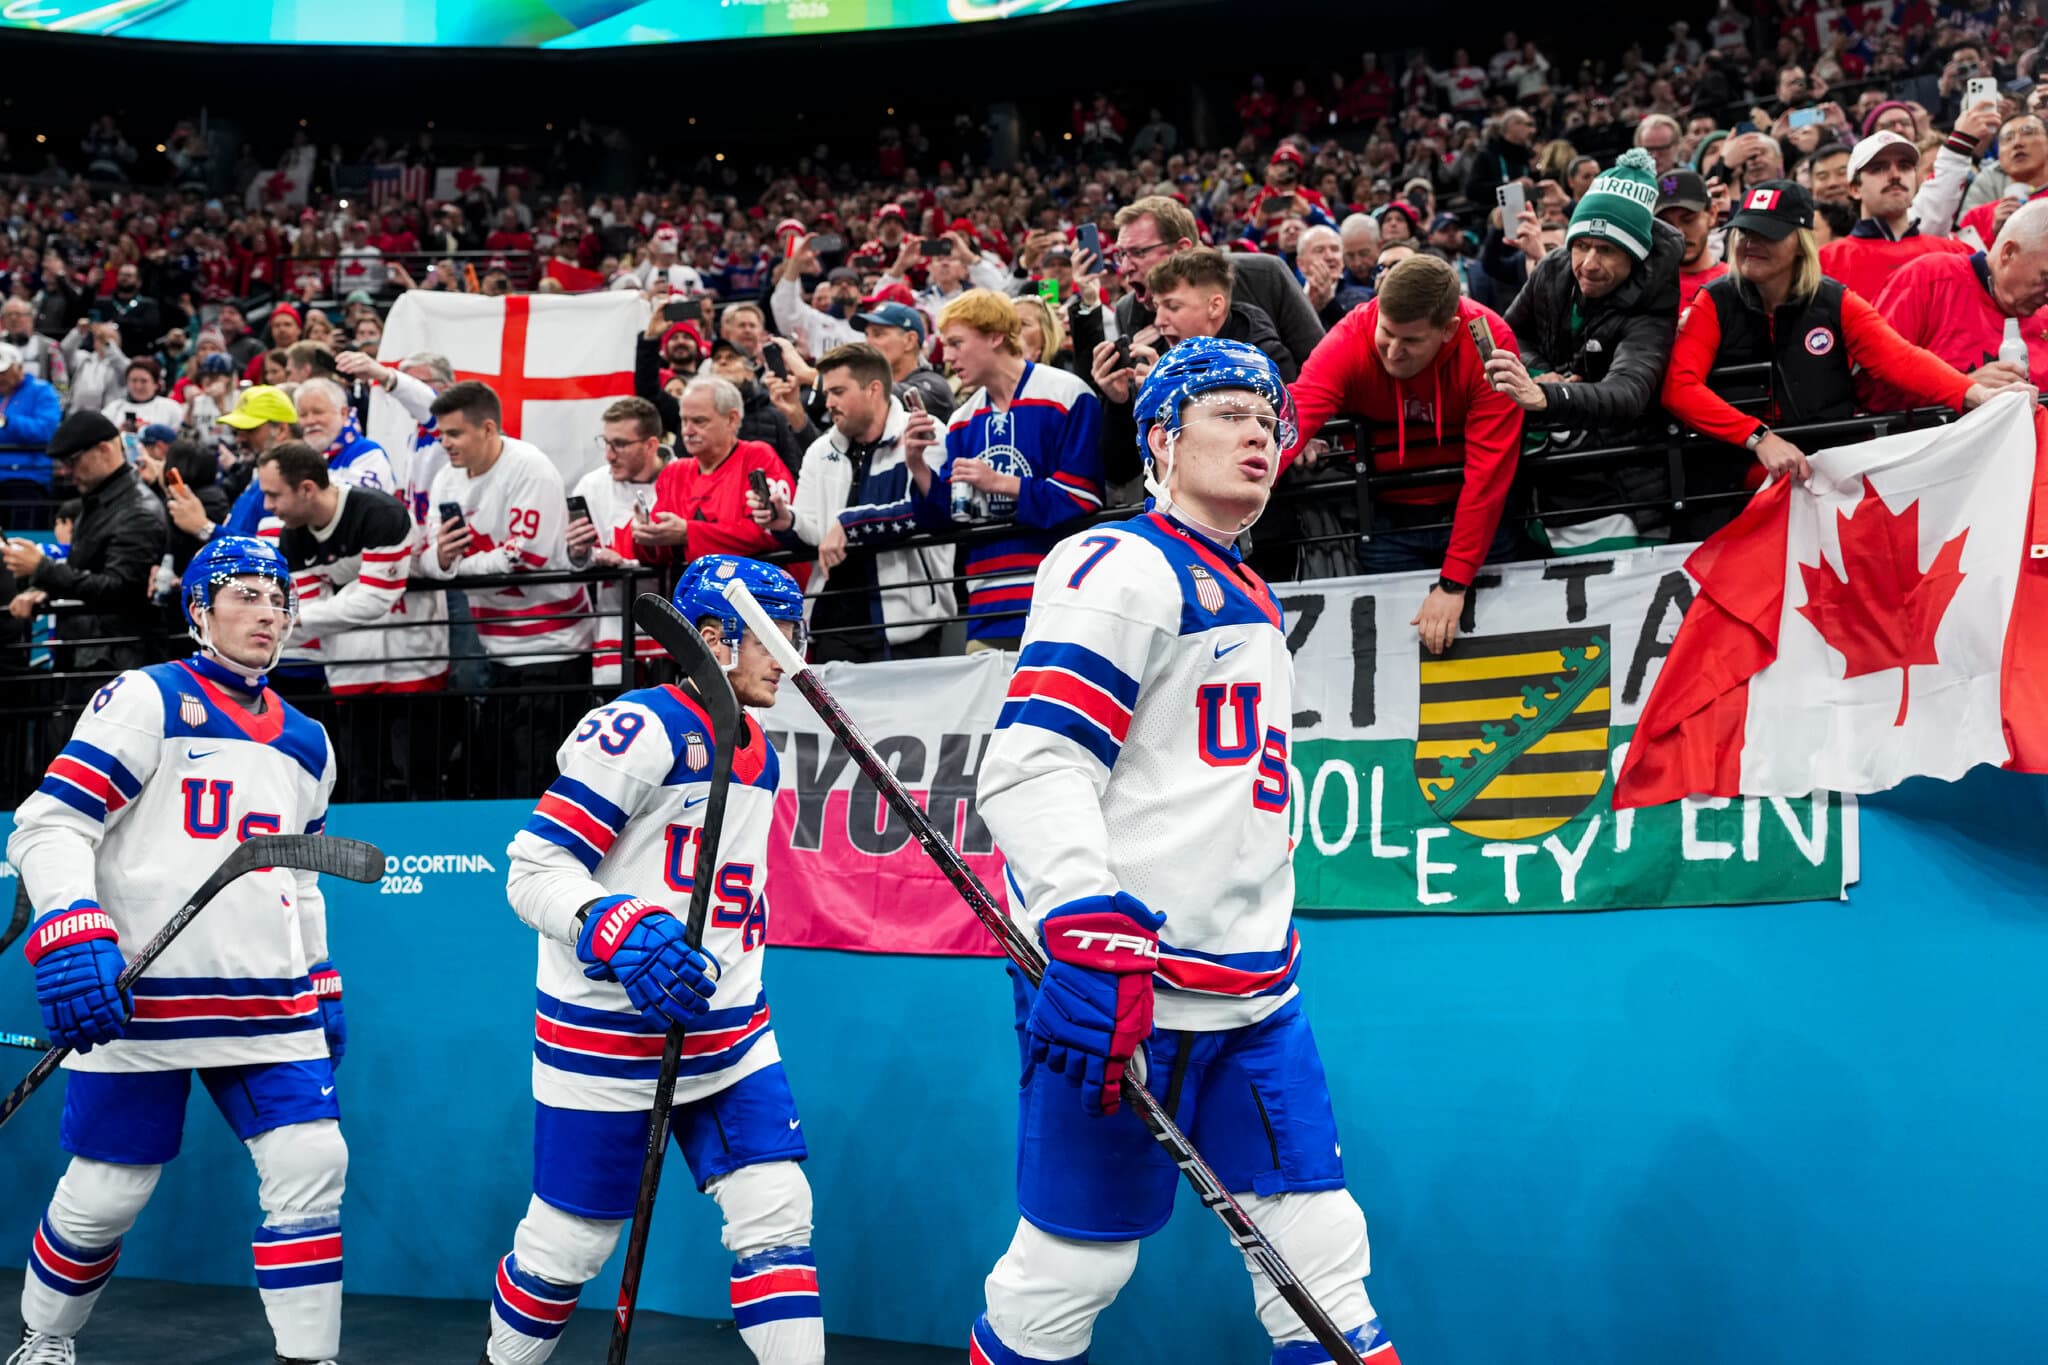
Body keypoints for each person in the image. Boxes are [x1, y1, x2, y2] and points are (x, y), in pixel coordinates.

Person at [968, 336, 1400, 1365]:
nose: (1260, 433)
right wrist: (1077, 914)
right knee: (1069, 1273)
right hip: (1127, 987)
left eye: (1270, 421)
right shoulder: (1120, 561)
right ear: (1158, 439)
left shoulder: (1244, 587)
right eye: (1228, 415)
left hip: (1254, 998)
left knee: (1321, 1256)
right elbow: (1034, 760)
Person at [5, 535, 347, 1365]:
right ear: (199, 610)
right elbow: (51, 823)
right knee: (106, 1196)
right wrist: (70, 926)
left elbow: (300, 879)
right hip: (143, 996)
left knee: (312, 1163)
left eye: (280, 599)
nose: (270, 612)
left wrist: (322, 975)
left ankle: (312, 1357)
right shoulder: (144, 698)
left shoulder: (308, 740)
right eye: (247, 596)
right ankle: (46, 1335)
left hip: (268, 1001)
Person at [485, 556, 824, 1365]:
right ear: (712, 639)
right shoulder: (643, 726)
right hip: (604, 1038)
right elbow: (532, 868)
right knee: (569, 1246)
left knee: (778, 1210)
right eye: (772, 634)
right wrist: (617, 925)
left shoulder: (761, 754)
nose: (789, 652)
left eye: (795, 631)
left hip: (731, 1032)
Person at [1661, 181, 2014, 537]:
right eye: (1744, 232)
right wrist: (1759, 437)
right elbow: (1679, 386)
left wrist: (1977, 394)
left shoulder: (1833, 300)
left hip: (1825, 477)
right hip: (1733, 485)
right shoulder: (1714, 300)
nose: (1751, 243)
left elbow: (1900, 358)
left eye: (1767, 234)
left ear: (1800, 242)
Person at [1286, 256, 1525, 655]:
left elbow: (1488, 473)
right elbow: (1294, 419)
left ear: (1449, 330)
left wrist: (1454, 583)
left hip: (1478, 524)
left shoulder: (1490, 342)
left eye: (1411, 341)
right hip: (1387, 522)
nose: (1394, 352)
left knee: (1501, 648)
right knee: (1394, 652)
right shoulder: (1351, 335)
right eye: (1387, 333)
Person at [1487, 149, 1683, 553]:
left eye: (1607, 250)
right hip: (1549, 490)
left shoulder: (1653, 304)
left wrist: (1546, 397)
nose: (1589, 263)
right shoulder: (1553, 268)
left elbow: (1629, 392)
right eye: (1583, 246)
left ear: (1635, 255)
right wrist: (1543, 375)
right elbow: (1509, 335)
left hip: (1623, 493)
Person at [415, 381, 593, 796]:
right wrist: (444, 561)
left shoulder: (529, 468)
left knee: (541, 776)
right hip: (496, 652)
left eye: (454, 433)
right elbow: (429, 555)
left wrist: (456, 568)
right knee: (499, 774)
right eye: (440, 434)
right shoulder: (445, 478)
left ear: (488, 429)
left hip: (555, 650)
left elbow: (524, 558)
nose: (444, 443)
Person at [907, 290, 1104, 651]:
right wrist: (918, 465)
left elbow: (1084, 496)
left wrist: (999, 482)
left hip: (1063, 597)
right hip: (987, 607)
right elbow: (949, 519)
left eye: (956, 343)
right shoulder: (962, 420)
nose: (946, 357)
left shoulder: (1067, 393)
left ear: (995, 336)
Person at [751, 342, 951, 663]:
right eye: (827, 392)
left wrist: (851, 525)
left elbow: (927, 512)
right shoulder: (820, 450)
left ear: (873, 389)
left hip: (908, 622)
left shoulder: (924, 433)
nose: (828, 402)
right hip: (833, 622)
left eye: (838, 391)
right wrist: (786, 520)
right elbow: (815, 529)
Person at [3, 413, 167, 689]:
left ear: (104, 449)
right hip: (91, 656)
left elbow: (121, 589)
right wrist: (47, 587)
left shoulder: (139, 511)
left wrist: (42, 568)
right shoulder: (99, 499)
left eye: (73, 460)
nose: (66, 471)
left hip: (113, 666)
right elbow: (88, 570)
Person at [1867, 198, 2048, 404]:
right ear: (2008, 253)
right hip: (1931, 434)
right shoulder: (1928, 281)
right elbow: (1869, 386)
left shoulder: (2043, 316)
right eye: (2046, 278)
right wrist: (1963, 388)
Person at [1111, 196, 1324, 372]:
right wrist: (1119, 399)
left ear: (1182, 249)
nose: (1125, 267)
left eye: (1138, 252)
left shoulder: (1264, 275)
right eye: (1121, 254)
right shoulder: (1127, 311)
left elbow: (1321, 367)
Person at [566, 395, 669, 687]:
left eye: (620, 444)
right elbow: (571, 562)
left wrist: (627, 562)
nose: (609, 455)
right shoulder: (592, 485)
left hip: (673, 629)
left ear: (650, 445)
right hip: (614, 625)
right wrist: (579, 553)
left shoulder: (681, 478)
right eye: (606, 442)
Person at [639, 376, 794, 569]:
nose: (687, 431)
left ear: (731, 419)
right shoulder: (674, 472)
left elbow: (769, 532)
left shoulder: (757, 457)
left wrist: (689, 533)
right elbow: (660, 553)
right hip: (690, 594)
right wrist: (645, 537)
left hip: (753, 591)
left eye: (698, 421)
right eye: (684, 421)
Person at [1819, 131, 1977, 304]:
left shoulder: (1957, 254)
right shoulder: (1825, 262)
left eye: (1905, 166)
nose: (1895, 175)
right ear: (1855, 189)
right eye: (1879, 168)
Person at [852, 300, 955, 420]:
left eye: (878, 334)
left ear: (910, 341)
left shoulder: (935, 387)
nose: (868, 343)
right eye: (867, 335)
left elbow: (887, 394)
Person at [293, 377, 396, 494]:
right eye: (303, 414)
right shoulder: (299, 458)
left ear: (343, 413)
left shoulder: (368, 454)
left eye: (318, 412)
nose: (310, 421)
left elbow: (359, 506)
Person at [0, 341, 67, 499]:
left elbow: (46, 431)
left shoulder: (42, 391)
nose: (0, 377)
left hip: (27, 477)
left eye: (4, 372)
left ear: (19, 368)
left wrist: (9, 422)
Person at [1655, 170, 1727, 307]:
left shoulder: (1737, 284)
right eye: (1667, 225)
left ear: (1712, 214)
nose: (1679, 233)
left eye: (1688, 220)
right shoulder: (1647, 288)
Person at [101, 358, 183, 436]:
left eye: (144, 381)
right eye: (134, 380)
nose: (138, 386)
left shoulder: (171, 408)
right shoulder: (113, 408)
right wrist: (118, 433)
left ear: (156, 384)